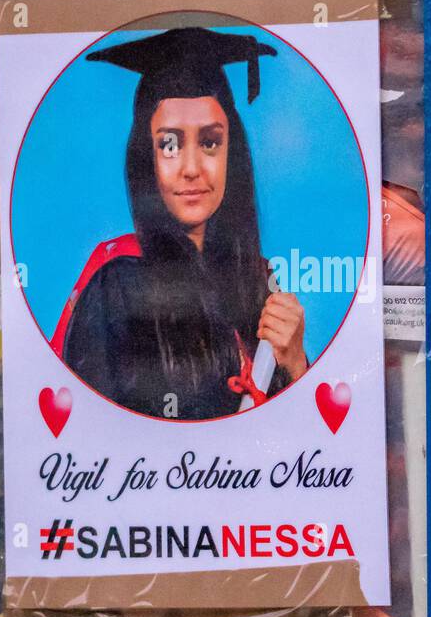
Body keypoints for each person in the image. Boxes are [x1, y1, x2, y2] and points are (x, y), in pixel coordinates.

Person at [52, 26, 307, 419]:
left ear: (230, 154)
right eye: (169, 144)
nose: (191, 168)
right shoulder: (117, 283)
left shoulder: (258, 280)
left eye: (210, 142)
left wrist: (294, 364)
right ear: (146, 158)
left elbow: (305, 443)